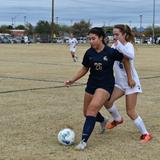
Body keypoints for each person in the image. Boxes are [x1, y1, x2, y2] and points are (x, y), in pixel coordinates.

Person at [64, 27, 133, 150]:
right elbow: (85, 69)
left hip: (106, 84)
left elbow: (126, 60)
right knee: (86, 112)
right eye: (89, 39)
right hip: (92, 83)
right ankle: (102, 120)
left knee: (92, 110)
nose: (91, 41)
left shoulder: (110, 52)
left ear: (101, 38)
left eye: (93, 38)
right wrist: (72, 80)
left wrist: (129, 78)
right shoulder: (89, 52)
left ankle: (83, 141)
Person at [104, 24, 152, 143]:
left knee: (130, 111)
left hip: (131, 84)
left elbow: (130, 56)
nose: (114, 37)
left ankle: (146, 134)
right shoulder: (114, 46)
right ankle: (118, 119)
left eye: (117, 34)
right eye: (113, 34)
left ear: (124, 35)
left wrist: (118, 44)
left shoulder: (128, 45)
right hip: (119, 84)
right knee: (107, 101)